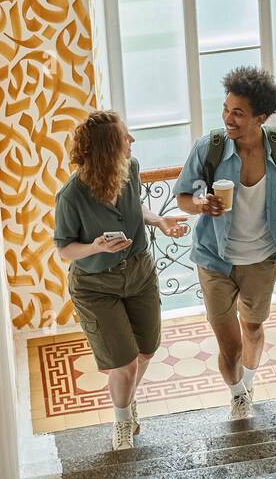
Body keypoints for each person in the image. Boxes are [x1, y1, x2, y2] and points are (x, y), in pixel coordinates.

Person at [174, 67, 276, 421]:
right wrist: (199, 203)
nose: (228, 118)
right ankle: (238, 396)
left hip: (261, 258)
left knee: (254, 329)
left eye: (238, 113)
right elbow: (183, 195)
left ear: (261, 117)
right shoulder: (209, 148)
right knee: (228, 344)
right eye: (226, 109)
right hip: (214, 258)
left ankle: (249, 381)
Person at [54, 110, 189, 450]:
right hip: (96, 286)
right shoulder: (71, 196)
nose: (132, 141)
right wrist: (95, 246)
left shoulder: (131, 169)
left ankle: (125, 403)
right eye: (124, 137)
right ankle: (121, 423)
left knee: (145, 351)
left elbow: (136, 207)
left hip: (139, 273)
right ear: (106, 149)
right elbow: (64, 250)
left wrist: (158, 221)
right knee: (124, 364)